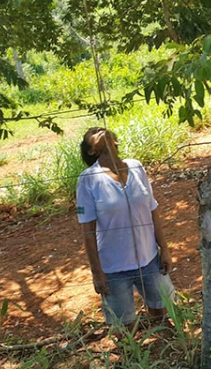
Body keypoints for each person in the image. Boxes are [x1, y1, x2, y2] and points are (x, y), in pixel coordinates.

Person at [76, 127, 174, 328]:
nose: (100, 130)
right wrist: (97, 272)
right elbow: (88, 232)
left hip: (149, 259)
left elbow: (152, 210)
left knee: (162, 315)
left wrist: (164, 249)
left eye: (103, 129)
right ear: (91, 151)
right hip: (113, 268)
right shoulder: (88, 179)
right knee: (124, 327)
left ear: (116, 142)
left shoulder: (136, 167)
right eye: (93, 133)